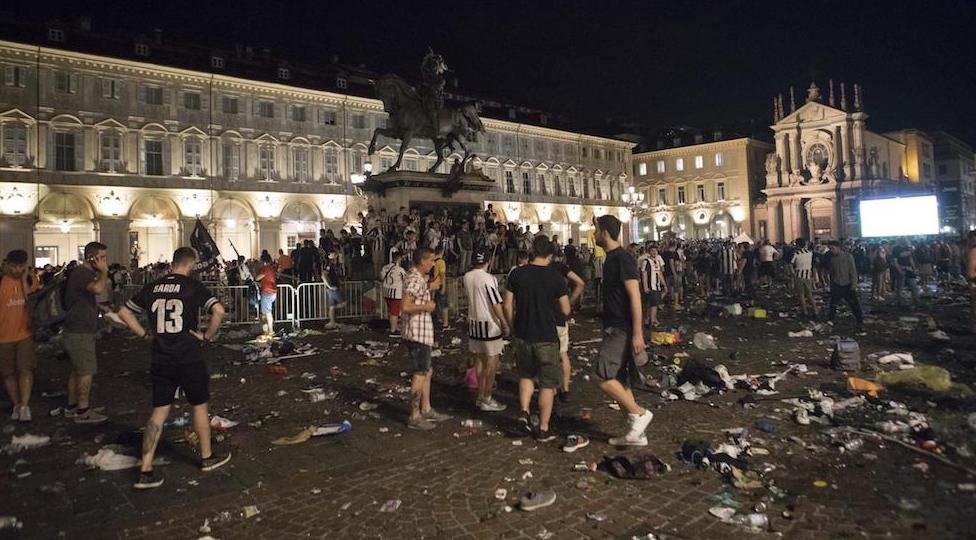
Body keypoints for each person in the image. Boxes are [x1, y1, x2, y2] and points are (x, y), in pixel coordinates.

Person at [118, 247, 230, 489]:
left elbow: (124, 311)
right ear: (192, 264)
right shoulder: (192, 287)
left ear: (173, 262)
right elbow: (218, 310)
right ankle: (207, 457)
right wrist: (206, 335)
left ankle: (145, 469)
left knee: (159, 411)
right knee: (199, 406)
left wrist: (144, 334)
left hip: (161, 356)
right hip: (188, 355)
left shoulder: (153, 287)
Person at [592, 215, 654, 446]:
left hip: (621, 327)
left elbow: (635, 296)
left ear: (605, 234)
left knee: (601, 375)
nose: (594, 235)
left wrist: (638, 333)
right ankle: (635, 434)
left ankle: (638, 414)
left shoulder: (622, 259)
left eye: (596, 230)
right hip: (614, 325)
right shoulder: (611, 259)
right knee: (620, 379)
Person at [504, 236, 570, 442]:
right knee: (548, 384)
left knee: (526, 374)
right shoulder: (556, 277)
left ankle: (524, 413)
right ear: (550, 255)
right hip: (547, 335)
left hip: (523, 333)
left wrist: (512, 325)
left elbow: (507, 305)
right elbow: (566, 309)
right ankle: (543, 427)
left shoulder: (517, 274)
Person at [60, 241, 111, 424]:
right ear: (92, 258)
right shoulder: (82, 273)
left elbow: (85, 298)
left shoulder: (83, 274)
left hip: (77, 329)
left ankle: (73, 406)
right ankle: (83, 410)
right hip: (79, 331)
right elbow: (98, 289)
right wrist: (104, 271)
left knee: (78, 370)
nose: (105, 261)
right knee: (86, 370)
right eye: (102, 257)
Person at [402, 248, 452, 430]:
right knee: (420, 373)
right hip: (417, 333)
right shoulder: (414, 278)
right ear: (422, 261)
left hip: (422, 332)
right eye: (431, 260)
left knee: (427, 371)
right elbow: (406, 305)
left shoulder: (418, 278)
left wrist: (431, 287)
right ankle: (414, 415)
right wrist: (427, 306)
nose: (433, 264)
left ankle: (426, 407)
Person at [463, 247, 510, 412]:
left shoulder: (467, 277)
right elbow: (495, 303)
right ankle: (487, 397)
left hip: (475, 324)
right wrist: (504, 322)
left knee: (480, 362)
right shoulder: (488, 279)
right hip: (489, 325)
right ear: (488, 262)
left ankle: (480, 396)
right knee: (492, 362)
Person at [1, 250, 39, 422]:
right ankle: (16, 404)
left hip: (24, 333)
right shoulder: (1, 282)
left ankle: (24, 405)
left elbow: (32, 301)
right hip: (3, 336)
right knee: (8, 372)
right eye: (14, 266)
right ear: (7, 264)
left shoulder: (30, 279)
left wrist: (24, 281)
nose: (17, 270)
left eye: (21, 267)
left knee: (25, 370)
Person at [550, 250, 585, 402]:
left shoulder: (536, 269)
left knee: (548, 355)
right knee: (563, 353)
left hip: (544, 317)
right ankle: (565, 388)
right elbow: (580, 283)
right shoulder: (560, 268)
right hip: (560, 315)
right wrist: (570, 302)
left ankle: (550, 389)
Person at [827, 241, 864, 329]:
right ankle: (830, 320)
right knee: (833, 304)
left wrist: (854, 284)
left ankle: (860, 321)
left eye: (833, 248)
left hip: (847, 284)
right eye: (830, 249)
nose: (831, 251)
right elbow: (832, 272)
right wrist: (831, 284)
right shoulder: (832, 259)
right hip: (837, 284)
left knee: (854, 304)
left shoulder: (848, 257)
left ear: (838, 247)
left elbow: (853, 271)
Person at [381, 251, 408, 337]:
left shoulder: (385, 267)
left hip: (386, 291)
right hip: (396, 293)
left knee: (391, 311)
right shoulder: (400, 270)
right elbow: (406, 280)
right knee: (394, 312)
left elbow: (381, 277)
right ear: (399, 259)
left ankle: (393, 326)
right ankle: (393, 330)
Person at [640, 244, 666, 328]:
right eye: (652, 251)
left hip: (657, 286)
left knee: (653, 304)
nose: (654, 252)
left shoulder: (657, 261)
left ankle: (652, 319)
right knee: (653, 305)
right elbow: (644, 274)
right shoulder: (646, 262)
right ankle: (652, 321)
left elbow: (660, 273)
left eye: (656, 251)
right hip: (651, 286)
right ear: (649, 252)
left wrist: (664, 284)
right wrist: (645, 287)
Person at [255, 252, 277, 341]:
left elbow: (257, 278)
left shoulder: (265, 269)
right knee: (267, 311)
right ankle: (269, 330)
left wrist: (255, 272)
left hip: (267, 291)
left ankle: (269, 330)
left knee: (266, 312)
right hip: (272, 291)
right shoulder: (271, 268)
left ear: (264, 261)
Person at [791, 238, 816, 318]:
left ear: (797, 245)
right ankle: (815, 311)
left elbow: (791, 264)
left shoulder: (797, 253)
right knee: (809, 294)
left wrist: (793, 273)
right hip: (808, 274)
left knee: (801, 295)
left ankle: (805, 312)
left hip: (799, 275)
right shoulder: (810, 253)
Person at [432, 247, 449, 329]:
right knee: (444, 304)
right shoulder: (441, 262)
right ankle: (445, 323)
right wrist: (444, 287)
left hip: (432, 285)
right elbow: (442, 275)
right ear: (441, 252)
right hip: (439, 284)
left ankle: (438, 320)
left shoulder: (431, 261)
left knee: (435, 304)